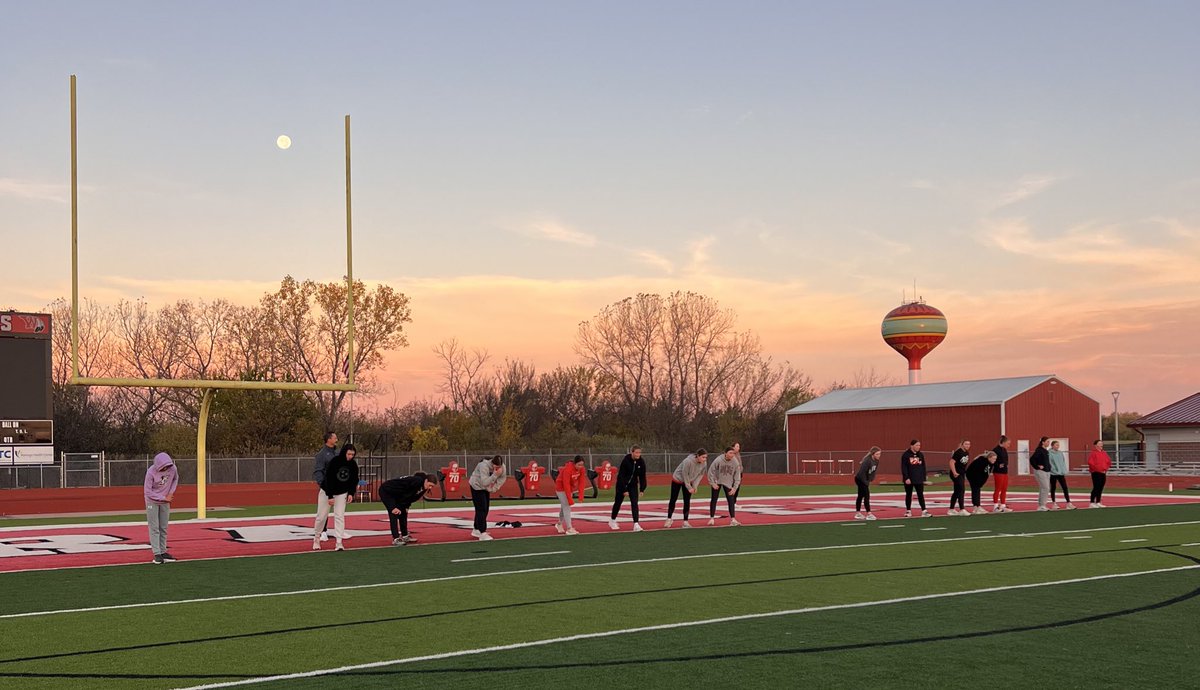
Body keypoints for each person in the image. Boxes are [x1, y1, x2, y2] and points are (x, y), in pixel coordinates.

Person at [312, 443, 358, 551]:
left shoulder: (353, 465)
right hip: (327, 491)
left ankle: (339, 542)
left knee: (339, 516)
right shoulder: (335, 462)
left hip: (342, 493)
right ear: (344, 452)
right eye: (349, 454)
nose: (350, 456)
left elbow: (354, 480)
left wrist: (351, 493)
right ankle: (317, 538)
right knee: (321, 517)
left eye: (352, 454)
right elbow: (328, 479)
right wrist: (330, 496)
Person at [378, 472, 437, 545]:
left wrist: (406, 506)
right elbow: (407, 494)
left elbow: (412, 497)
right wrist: (395, 507)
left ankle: (405, 536)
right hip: (387, 491)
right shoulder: (417, 481)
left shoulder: (423, 487)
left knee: (403, 513)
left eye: (432, 486)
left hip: (398, 495)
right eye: (430, 485)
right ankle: (396, 538)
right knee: (394, 512)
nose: (430, 487)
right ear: (426, 480)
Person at [144, 452, 179, 564]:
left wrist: (170, 493)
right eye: (163, 466)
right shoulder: (151, 472)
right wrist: (162, 497)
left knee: (163, 527)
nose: (165, 468)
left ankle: (163, 551)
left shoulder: (173, 468)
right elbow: (147, 491)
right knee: (154, 527)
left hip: (165, 501)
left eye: (167, 466)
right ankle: (157, 553)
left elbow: (175, 479)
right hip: (152, 501)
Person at [665, 449, 708, 528]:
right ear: (698, 456)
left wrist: (695, 486)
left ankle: (685, 521)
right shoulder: (688, 461)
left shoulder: (704, 463)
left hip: (689, 480)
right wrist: (689, 487)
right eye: (703, 457)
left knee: (687, 500)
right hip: (678, 479)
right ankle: (669, 518)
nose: (704, 459)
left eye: (705, 457)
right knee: (673, 499)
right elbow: (685, 474)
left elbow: (700, 475)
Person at [609, 446, 647, 532]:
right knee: (618, 503)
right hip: (622, 485)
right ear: (632, 452)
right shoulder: (626, 460)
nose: (638, 454)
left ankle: (636, 524)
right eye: (636, 453)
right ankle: (612, 520)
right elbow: (621, 476)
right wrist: (624, 490)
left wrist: (642, 489)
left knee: (634, 503)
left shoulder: (641, 462)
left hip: (633, 485)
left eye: (639, 453)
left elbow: (642, 476)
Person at [469, 455, 506, 541]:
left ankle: (476, 529)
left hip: (486, 488)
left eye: (499, 467)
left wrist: (494, 488)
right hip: (476, 486)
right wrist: (494, 475)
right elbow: (484, 482)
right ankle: (482, 533)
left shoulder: (502, 467)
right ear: (492, 463)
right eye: (496, 467)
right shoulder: (484, 466)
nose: (497, 468)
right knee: (481, 509)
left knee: (485, 509)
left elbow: (502, 478)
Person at [707, 446, 744, 526]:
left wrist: (734, 488)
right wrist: (712, 483)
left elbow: (737, 476)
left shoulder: (735, 462)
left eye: (733, 453)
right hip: (717, 481)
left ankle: (733, 519)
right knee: (714, 499)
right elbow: (711, 471)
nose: (732, 455)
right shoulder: (719, 460)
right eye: (730, 453)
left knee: (731, 500)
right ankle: (711, 518)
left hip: (728, 482)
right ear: (725, 453)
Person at [312, 431, 338, 542]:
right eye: (334, 437)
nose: (336, 439)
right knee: (323, 513)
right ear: (329, 439)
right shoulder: (322, 454)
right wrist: (323, 485)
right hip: (327, 486)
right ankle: (322, 532)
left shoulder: (337, 452)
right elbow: (318, 471)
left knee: (339, 512)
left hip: (338, 487)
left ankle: (339, 532)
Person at [555, 455, 588, 535]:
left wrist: (581, 496)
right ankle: (569, 528)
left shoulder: (582, 469)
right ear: (574, 464)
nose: (580, 467)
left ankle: (559, 524)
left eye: (582, 465)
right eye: (578, 465)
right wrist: (570, 499)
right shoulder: (568, 469)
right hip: (560, 488)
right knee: (566, 506)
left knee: (564, 507)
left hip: (570, 488)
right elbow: (565, 484)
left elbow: (582, 482)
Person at [900, 439, 931, 517]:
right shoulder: (906, 455)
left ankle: (924, 511)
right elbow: (904, 467)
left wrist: (924, 477)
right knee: (908, 494)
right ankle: (908, 511)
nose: (918, 447)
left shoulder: (920, 455)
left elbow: (923, 466)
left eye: (919, 445)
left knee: (920, 494)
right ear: (912, 446)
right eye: (917, 445)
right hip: (909, 479)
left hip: (919, 479)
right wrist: (906, 478)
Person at [853, 446, 881, 521]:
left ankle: (858, 513)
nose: (879, 456)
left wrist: (870, 479)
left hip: (865, 479)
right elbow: (862, 473)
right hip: (860, 479)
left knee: (861, 495)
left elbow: (873, 471)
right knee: (866, 495)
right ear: (873, 454)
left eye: (879, 454)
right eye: (877, 454)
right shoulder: (867, 461)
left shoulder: (876, 461)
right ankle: (869, 514)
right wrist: (866, 482)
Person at [1047, 440, 1075, 510]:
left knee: (1065, 487)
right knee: (1053, 488)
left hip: (1061, 473)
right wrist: (1054, 470)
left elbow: (1063, 462)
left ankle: (1068, 503)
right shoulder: (1049, 453)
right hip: (1053, 473)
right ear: (1052, 446)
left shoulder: (1060, 453)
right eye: (1056, 445)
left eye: (1058, 445)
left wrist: (1063, 470)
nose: (1058, 446)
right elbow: (1050, 463)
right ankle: (1054, 503)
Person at [948, 440, 971, 516]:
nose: (967, 445)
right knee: (961, 489)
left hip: (961, 474)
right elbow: (951, 462)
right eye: (966, 444)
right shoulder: (958, 452)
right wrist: (954, 472)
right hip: (956, 474)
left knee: (957, 491)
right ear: (962, 444)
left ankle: (951, 509)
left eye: (969, 444)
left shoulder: (966, 453)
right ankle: (962, 509)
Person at [1087, 439, 1112, 508]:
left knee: (1101, 487)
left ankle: (1098, 501)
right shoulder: (1093, 453)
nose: (1101, 445)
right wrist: (1097, 469)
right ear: (1096, 445)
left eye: (1101, 443)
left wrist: (1105, 468)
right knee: (1096, 487)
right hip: (1096, 473)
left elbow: (1108, 461)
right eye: (1099, 443)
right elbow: (1090, 463)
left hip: (1103, 472)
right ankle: (1092, 502)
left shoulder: (1104, 453)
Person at [1030, 436, 1053, 511]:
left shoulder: (1046, 451)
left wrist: (1049, 467)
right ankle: (1042, 505)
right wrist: (1037, 466)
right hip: (1041, 472)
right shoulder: (1039, 450)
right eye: (1047, 442)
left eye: (1049, 442)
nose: (1048, 443)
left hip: (1047, 471)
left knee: (1043, 488)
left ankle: (1042, 505)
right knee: (1046, 488)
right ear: (1043, 442)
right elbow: (1032, 459)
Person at [991, 436, 1012, 512]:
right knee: (998, 489)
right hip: (998, 472)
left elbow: (1005, 460)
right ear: (1003, 442)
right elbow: (991, 460)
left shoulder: (1004, 450)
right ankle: (995, 506)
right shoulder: (995, 450)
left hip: (1004, 472)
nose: (1008, 445)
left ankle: (1003, 505)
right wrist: (998, 465)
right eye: (1008, 443)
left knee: (1004, 489)